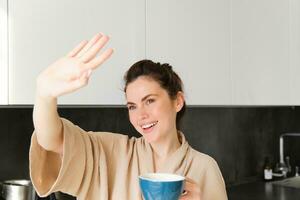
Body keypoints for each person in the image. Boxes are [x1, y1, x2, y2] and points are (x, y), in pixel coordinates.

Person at [29, 33, 228, 200]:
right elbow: (51, 140)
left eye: (150, 101)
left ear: (177, 101)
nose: (141, 115)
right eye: (132, 106)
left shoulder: (205, 168)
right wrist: (44, 95)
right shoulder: (112, 152)